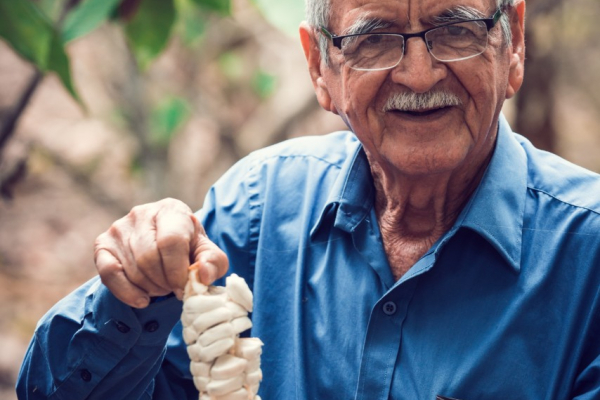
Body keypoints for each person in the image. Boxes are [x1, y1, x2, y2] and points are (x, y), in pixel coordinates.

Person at [16, 0, 600, 398]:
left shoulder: (588, 255)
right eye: (374, 39)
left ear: (514, 42)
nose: (420, 75)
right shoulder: (258, 210)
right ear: (322, 67)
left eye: (457, 30)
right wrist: (135, 289)